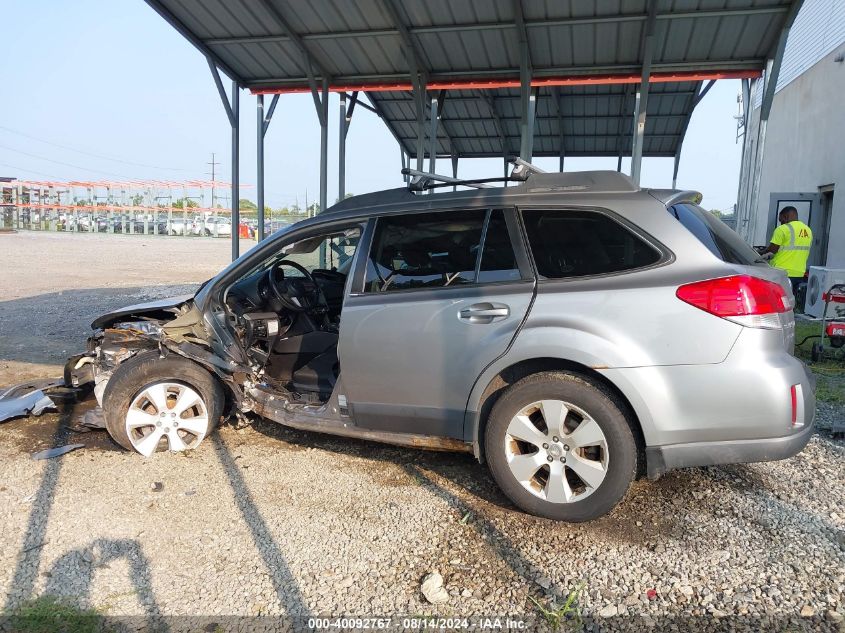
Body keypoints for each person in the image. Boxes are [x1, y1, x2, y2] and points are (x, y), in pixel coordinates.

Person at [761, 206, 812, 296]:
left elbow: (772, 250)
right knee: (791, 301)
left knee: (778, 301)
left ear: (786, 216)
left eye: (781, 220)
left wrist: (758, 252)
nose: (781, 223)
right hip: (799, 273)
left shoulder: (782, 229)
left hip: (781, 273)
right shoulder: (808, 230)